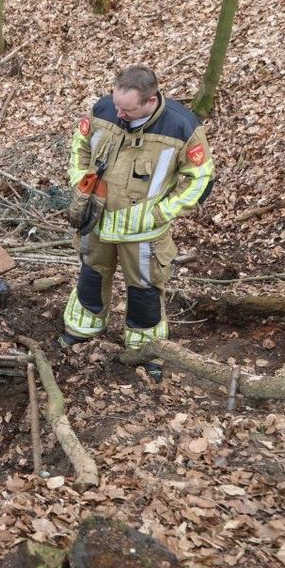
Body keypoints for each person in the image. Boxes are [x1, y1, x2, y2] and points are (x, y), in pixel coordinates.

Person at [58, 65, 215, 381]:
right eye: (116, 105)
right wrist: (81, 182)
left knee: (144, 291)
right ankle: (81, 330)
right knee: (91, 276)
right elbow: (80, 145)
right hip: (97, 221)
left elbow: (201, 179)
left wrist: (162, 212)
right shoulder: (104, 110)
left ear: (150, 101)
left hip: (143, 233)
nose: (119, 113)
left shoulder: (182, 127)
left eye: (127, 110)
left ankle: (146, 351)